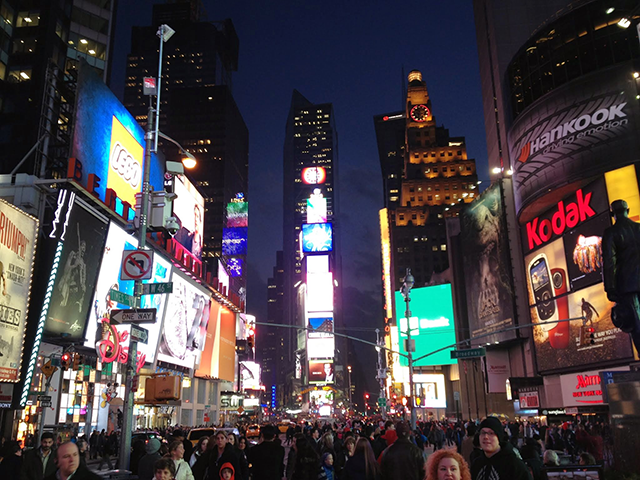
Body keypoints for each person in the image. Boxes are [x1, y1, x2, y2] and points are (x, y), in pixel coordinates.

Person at [603, 198, 640, 351]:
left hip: (627, 286)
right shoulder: (638, 228)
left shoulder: (611, 232)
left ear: (613, 214)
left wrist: (610, 288)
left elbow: (609, 262)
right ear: (628, 210)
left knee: (636, 324)